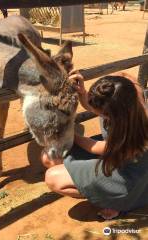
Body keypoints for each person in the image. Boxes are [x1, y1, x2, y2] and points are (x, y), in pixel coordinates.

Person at [41, 71, 148, 220]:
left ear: (115, 115)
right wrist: (83, 92)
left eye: (103, 115)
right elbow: (93, 106)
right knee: (49, 157)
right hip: (114, 153)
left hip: (127, 176)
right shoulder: (123, 91)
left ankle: (116, 202)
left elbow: (100, 148)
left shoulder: (138, 131)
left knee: (53, 178)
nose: (97, 115)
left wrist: (69, 134)